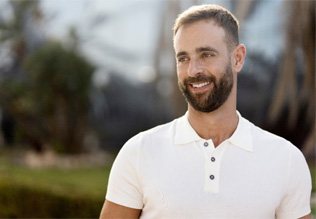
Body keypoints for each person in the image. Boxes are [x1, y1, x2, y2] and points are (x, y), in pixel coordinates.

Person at [99, 4, 312, 219]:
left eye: (206, 55)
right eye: (183, 58)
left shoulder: (285, 160)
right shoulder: (139, 152)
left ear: (237, 58)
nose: (193, 70)